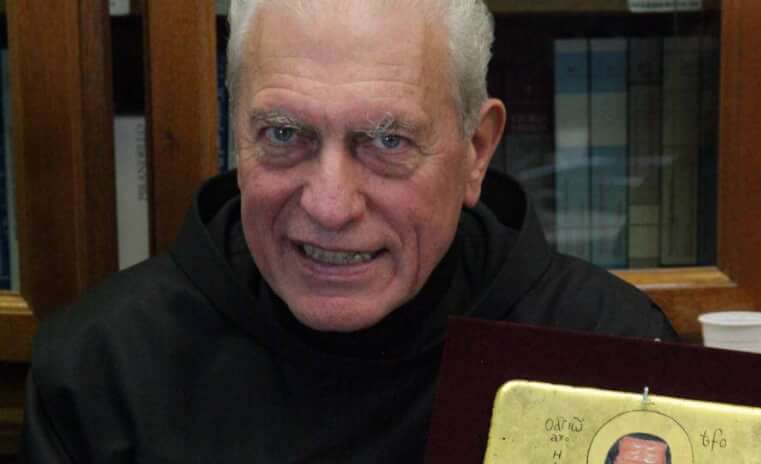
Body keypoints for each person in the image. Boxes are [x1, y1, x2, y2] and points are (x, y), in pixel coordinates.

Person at [20, 0, 677, 462]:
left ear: (476, 151)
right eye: (284, 134)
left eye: (387, 141)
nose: (330, 206)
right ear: (236, 135)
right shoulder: (100, 370)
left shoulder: (611, 353)